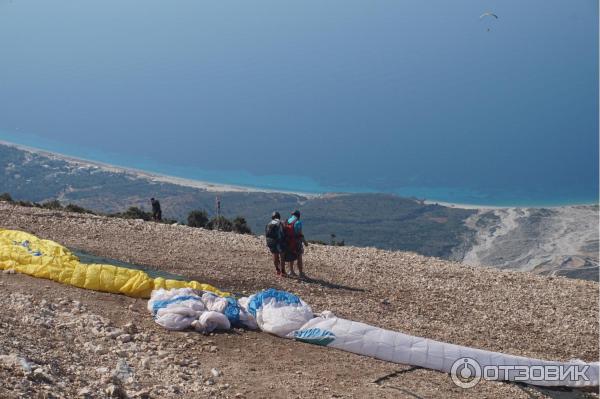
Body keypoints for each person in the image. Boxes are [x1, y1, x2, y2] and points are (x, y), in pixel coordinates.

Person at [284, 210, 308, 278]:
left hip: (288, 242)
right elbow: (300, 234)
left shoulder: (288, 220)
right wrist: (305, 242)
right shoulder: (298, 222)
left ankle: (291, 271)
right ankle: (300, 273)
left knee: (291, 255)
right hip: (296, 242)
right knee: (299, 257)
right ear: (299, 215)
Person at [265, 211, 285, 276]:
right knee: (282, 256)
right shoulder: (280, 223)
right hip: (278, 242)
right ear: (279, 217)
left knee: (275, 255)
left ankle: (277, 270)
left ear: (272, 217)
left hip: (270, 242)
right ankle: (283, 271)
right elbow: (282, 233)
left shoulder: (269, 223)